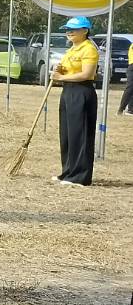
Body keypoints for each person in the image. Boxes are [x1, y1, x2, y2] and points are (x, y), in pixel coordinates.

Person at [53, 16, 99, 186]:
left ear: (85, 31)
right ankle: (68, 171)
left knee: (80, 134)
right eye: (67, 29)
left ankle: (80, 176)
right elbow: (67, 69)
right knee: (67, 134)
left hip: (82, 91)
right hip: (68, 91)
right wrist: (59, 71)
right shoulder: (72, 49)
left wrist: (62, 76)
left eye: (74, 29)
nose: (69, 32)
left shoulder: (89, 49)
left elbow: (87, 74)